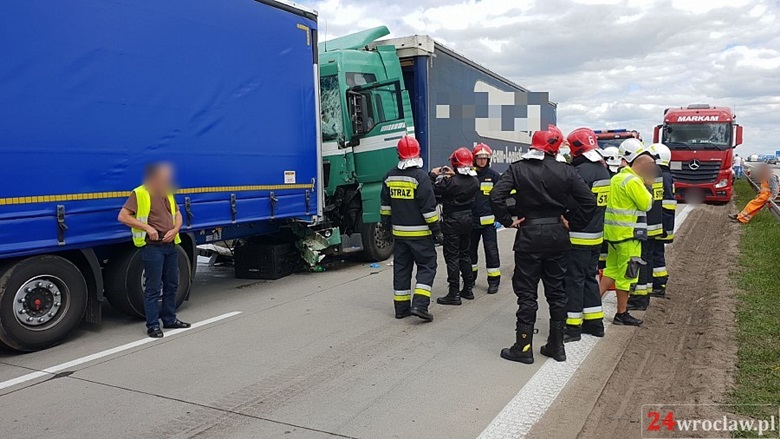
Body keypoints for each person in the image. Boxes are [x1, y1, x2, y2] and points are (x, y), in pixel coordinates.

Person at [490, 125, 596, 364]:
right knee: (557, 292)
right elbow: (589, 201)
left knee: (526, 293)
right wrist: (573, 223)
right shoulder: (567, 171)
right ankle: (556, 346)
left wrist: (508, 221)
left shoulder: (518, 168)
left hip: (529, 237)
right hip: (558, 236)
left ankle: (523, 346)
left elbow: (496, 197)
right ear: (556, 147)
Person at [118, 163, 190, 338]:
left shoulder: (167, 191)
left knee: (172, 283)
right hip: (153, 247)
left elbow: (178, 214)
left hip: (171, 245)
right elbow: (123, 216)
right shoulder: (140, 193)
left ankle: (169, 319)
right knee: (153, 288)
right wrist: (148, 228)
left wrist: (175, 230)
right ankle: (153, 325)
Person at [380, 136, 443, 321]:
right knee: (427, 266)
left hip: (399, 234)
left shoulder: (389, 176)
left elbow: (385, 206)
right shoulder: (420, 177)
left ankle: (401, 308)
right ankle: (420, 305)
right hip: (421, 235)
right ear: (418, 152)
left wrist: (385, 227)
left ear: (398, 154)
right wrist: (437, 230)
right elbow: (428, 209)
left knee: (401, 269)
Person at [563, 128, 612, 343]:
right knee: (590, 277)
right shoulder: (603, 171)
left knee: (573, 280)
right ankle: (595, 323)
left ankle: (572, 328)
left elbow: (571, 203)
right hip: (596, 234)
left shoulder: (580, 172)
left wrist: (567, 219)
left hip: (578, 235)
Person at [599, 139, 655, 326]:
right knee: (627, 275)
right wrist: (649, 184)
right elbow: (646, 204)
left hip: (613, 235)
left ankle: (589, 305)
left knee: (610, 272)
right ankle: (621, 314)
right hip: (629, 236)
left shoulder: (617, 177)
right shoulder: (633, 181)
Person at [432, 148, 480, 305]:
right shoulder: (475, 181)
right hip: (468, 220)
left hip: (452, 222)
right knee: (465, 254)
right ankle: (468, 289)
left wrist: (434, 174)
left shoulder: (450, 183)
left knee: (452, 257)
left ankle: (454, 293)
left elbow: (432, 189)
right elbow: (461, 181)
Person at [628, 146, 664, 311]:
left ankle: (640, 299)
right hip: (655, 223)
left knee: (640, 261)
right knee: (647, 259)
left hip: (643, 225)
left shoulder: (640, 176)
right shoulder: (658, 171)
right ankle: (646, 291)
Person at [469, 143, 503, 295]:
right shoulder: (469, 175)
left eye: (485, 158)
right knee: (470, 253)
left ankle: (493, 282)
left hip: (489, 224)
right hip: (471, 222)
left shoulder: (494, 176)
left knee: (491, 252)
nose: (482, 161)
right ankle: (470, 280)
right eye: (479, 158)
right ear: (474, 159)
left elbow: (501, 197)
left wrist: (500, 217)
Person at [650, 143, 676, 297]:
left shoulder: (663, 176)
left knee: (656, 254)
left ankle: (659, 285)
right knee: (656, 253)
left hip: (662, 223)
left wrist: (662, 225)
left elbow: (666, 203)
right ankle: (658, 283)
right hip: (663, 222)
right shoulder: (666, 175)